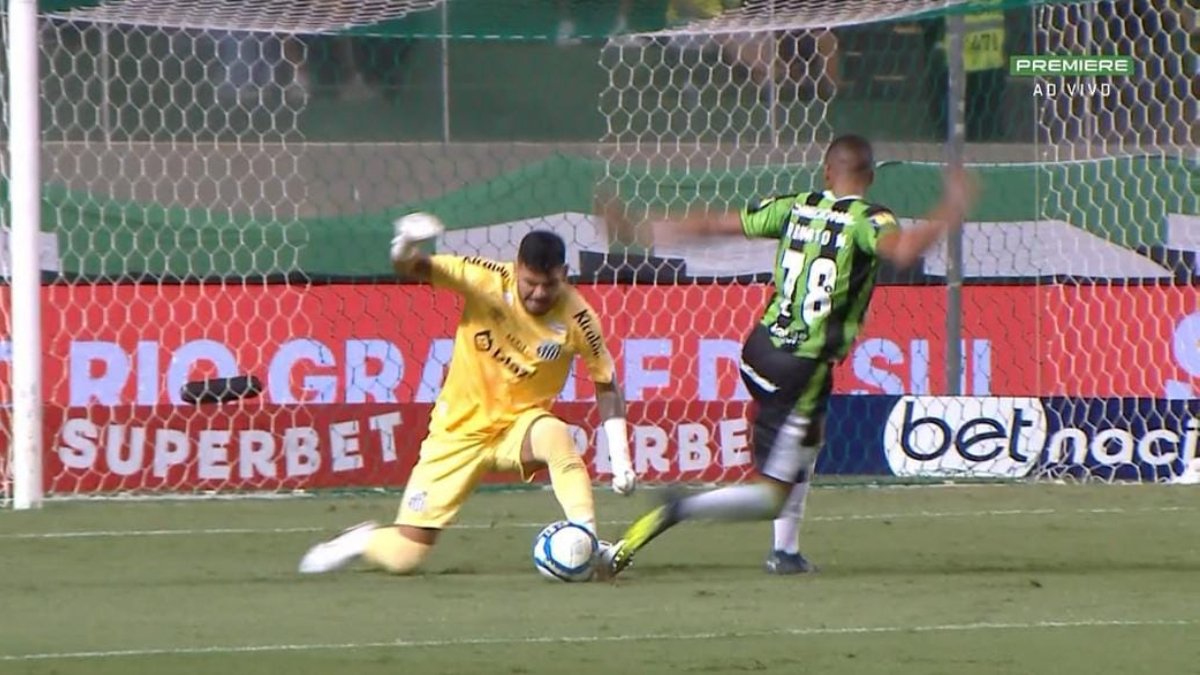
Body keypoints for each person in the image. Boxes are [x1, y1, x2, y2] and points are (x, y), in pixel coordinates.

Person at [600, 134, 977, 577]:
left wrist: (642, 230)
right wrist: (953, 205)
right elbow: (906, 252)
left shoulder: (795, 205)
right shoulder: (869, 219)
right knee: (770, 495)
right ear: (870, 178)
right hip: (799, 370)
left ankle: (786, 553)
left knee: (809, 436)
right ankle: (679, 507)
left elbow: (716, 227)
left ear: (825, 171)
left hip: (758, 350)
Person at [299, 219, 637, 575]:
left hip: (517, 428)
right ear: (516, 269)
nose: (538, 294)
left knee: (555, 435)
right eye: (530, 284)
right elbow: (411, 267)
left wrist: (621, 460)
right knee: (405, 557)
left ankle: (587, 543)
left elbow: (606, 384)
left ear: (564, 274)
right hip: (458, 432)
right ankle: (359, 540)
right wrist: (406, 243)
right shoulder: (486, 280)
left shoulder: (579, 318)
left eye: (549, 285)